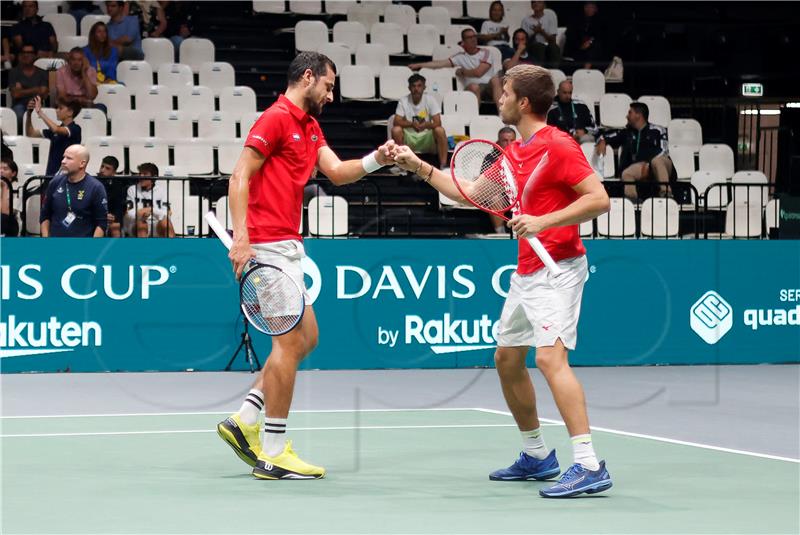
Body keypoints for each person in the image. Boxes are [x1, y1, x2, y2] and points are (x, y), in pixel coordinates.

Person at [391, 64, 613, 498]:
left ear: (524, 103)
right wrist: (417, 165)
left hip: (559, 269)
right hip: (528, 271)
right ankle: (536, 455)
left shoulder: (558, 145)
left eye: (506, 92)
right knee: (507, 359)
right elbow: (469, 190)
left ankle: (589, 463)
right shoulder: (512, 154)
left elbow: (599, 199)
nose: (500, 98)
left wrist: (541, 221)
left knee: (550, 360)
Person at [219, 51, 395, 481]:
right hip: (267, 246)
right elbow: (239, 175)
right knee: (288, 344)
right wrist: (241, 238)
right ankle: (274, 450)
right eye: (329, 86)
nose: (331, 96)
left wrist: (379, 158)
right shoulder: (276, 118)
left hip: (289, 246)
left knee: (306, 337)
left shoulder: (310, 127)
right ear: (309, 77)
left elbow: (336, 172)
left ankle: (244, 419)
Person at [597, 102, 673, 200]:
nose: (627, 116)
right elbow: (605, 135)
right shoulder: (627, 132)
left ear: (638, 115)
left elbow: (664, 151)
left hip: (661, 164)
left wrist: (648, 164)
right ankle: (632, 200)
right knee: (626, 173)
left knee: (657, 161)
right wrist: (603, 141)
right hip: (640, 168)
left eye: (630, 113)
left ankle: (666, 194)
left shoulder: (658, 130)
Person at [409, 28, 497, 108]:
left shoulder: (486, 52)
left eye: (474, 36)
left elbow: (479, 73)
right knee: (474, 87)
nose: (473, 39)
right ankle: (476, 117)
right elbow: (440, 63)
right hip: (472, 88)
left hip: (489, 88)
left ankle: (502, 115)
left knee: (496, 80)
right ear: (463, 42)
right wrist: (419, 65)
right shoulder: (460, 57)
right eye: (469, 37)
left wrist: (462, 72)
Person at [40, 144, 108, 237]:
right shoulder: (55, 182)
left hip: (83, 246)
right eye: (63, 157)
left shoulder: (96, 187)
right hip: (55, 245)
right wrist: (46, 240)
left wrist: (93, 248)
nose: (63, 161)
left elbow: (101, 223)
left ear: (82, 163)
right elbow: (45, 215)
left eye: (69, 158)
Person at [391, 74, 448, 172]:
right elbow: (396, 121)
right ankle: (401, 164)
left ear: (424, 87)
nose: (416, 89)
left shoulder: (430, 100)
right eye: (413, 86)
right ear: (409, 88)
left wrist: (426, 124)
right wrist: (412, 124)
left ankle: (443, 165)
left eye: (419, 86)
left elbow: (438, 122)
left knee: (440, 130)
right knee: (396, 130)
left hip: (426, 137)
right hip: (410, 137)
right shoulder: (403, 101)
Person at [25, 95, 82, 177]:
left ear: (70, 112)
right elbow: (30, 133)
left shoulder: (75, 129)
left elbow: (55, 129)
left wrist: (40, 112)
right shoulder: (54, 131)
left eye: (60, 108)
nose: (57, 110)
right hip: (51, 174)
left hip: (66, 176)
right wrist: (29, 114)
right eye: (57, 108)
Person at [123, 162, 175, 237]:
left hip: (156, 224)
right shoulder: (132, 189)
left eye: (145, 174)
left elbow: (167, 213)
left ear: (154, 177)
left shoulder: (162, 190)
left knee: (166, 222)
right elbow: (129, 212)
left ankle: (172, 248)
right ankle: (143, 248)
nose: (141, 176)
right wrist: (140, 214)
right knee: (142, 224)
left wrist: (151, 210)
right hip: (137, 223)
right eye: (140, 173)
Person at [8, 43, 49, 124]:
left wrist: (22, 90)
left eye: (29, 53)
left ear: (35, 55)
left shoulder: (42, 72)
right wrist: (35, 89)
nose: (26, 55)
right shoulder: (14, 72)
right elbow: (15, 94)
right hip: (19, 105)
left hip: (37, 105)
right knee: (19, 115)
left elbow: (44, 94)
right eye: (24, 52)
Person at [566, 2, 605, 69]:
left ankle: (586, 69)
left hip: (592, 47)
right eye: (587, 7)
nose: (589, 9)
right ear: (584, 8)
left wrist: (589, 42)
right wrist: (580, 45)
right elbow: (570, 34)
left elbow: (600, 35)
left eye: (592, 7)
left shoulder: (599, 21)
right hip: (577, 47)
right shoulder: (576, 19)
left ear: (596, 9)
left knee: (596, 47)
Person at [521, 1, 560, 66]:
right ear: (531, 5)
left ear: (544, 5)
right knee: (539, 47)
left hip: (549, 45)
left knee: (554, 48)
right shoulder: (526, 20)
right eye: (533, 2)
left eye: (539, 2)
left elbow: (553, 40)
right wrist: (534, 33)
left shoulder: (550, 17)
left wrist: (541, 32)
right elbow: (524, 42)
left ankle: (555, 72)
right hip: (533, 46)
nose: (536, 4)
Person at [96, 155, 126, 237]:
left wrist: (114, 217)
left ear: (114, 172)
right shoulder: (92, 182)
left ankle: (117, 250)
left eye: (107, 168)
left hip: (111, 218)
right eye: (102, 166)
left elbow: (119, 206)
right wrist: (102, 215)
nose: (102, 170)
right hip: (95, 217)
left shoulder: (118, 185)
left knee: (115, 226)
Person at [1, 158, 21, 237]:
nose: (1, 171)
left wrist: (5, 187)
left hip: (10, 224)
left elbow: (6, 213)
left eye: (5, 169)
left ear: (13, 173)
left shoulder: (19, 188)